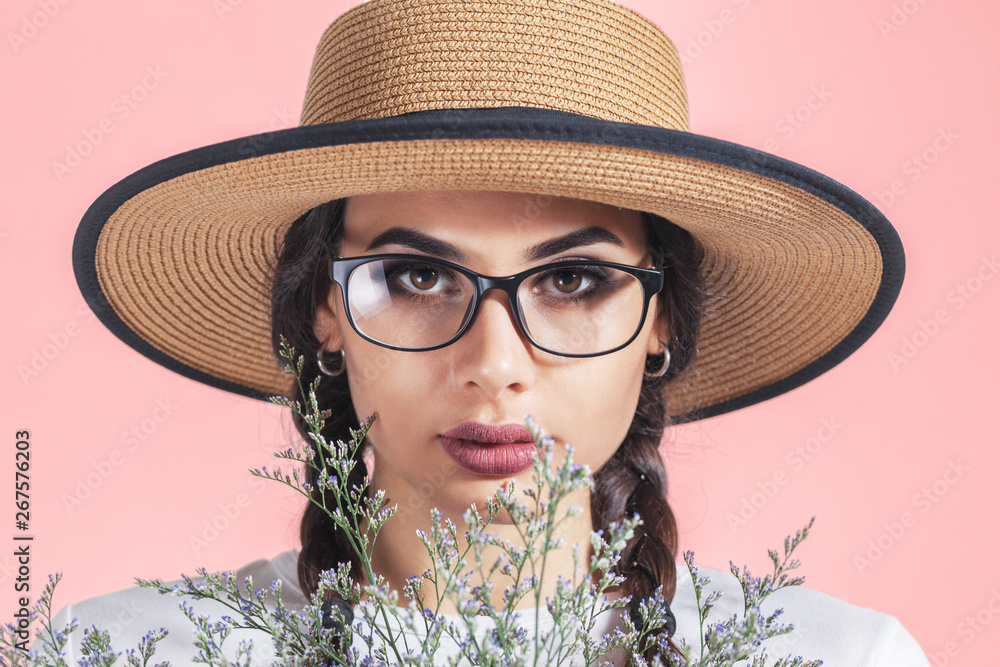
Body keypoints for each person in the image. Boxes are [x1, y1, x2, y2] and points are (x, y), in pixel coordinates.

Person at [43, 0, 930, 664]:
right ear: (324, 307)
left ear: (660, 319)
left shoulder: (838, 656)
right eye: (417, 276)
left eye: (573, 279)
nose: (494, 365)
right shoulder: (119, 650)